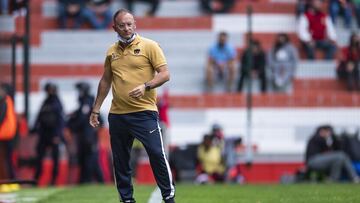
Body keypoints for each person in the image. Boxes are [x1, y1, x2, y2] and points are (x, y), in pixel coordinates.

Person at [89, 9, 175, 203]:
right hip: (118, 114)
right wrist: (95, 109)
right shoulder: (111, 51)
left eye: (129, 24)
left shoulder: (150, 46)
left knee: (156, 153)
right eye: (122, 25)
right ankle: (127, 199)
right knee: (120, 161)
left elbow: (165, 74)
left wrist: (146, 86)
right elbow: (105, 81)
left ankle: (168, 196)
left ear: (135, 24)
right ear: (114, 28)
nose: (126, 28)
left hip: (144, 113)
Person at [67, 82, 104, 183]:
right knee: (86, 158)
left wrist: (72, 124)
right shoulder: (85, 105)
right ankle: (93, 180)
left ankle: (87, 180)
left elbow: (82, 120)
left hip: (88, 138)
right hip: (85, 137)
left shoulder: (87, 104)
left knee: (89, 159)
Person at [32, 83, 65, 185]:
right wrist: (34, 128)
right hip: (44, 134)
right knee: (39, 157)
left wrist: (58, 135)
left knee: (55, 158)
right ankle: (36, 179)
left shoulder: (57, 103)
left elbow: (60, 121)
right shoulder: (45, 102)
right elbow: (39, 116)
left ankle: (54, 180)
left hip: (53, 134)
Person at [0, 83, 17, 180]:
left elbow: (1, 118)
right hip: (8, 134)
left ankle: (8, 180)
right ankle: (10, 179)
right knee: (8, 159)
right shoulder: (8, 101)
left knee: (5, 160)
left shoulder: (4, 101)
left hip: (4, 135)